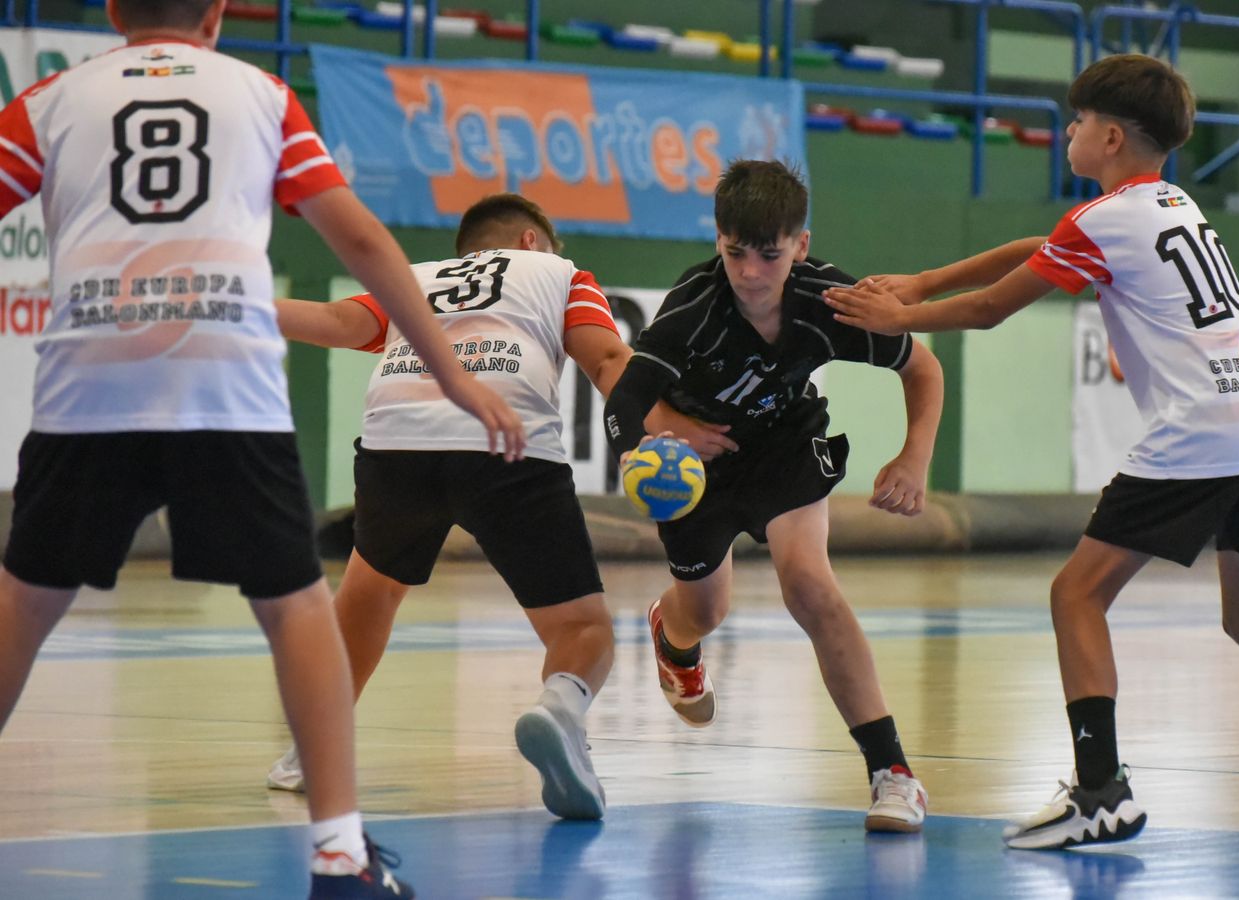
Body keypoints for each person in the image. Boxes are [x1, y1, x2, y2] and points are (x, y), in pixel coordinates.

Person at [823, 54, 1239, 849]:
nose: (1069, 134)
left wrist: (897, 320)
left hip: (1204, 432)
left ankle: (1100, 793)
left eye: (1078, 123)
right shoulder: (1165, 203)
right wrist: (922, 280)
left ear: (1111, 136)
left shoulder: (1102, 222)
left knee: (1076, 596)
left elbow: (988, 311)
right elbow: (1033, 247)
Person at [0, 0, 524, 895]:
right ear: (215, 13)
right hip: (222, 380)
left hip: (92, 377)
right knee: (295, 609)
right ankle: (336, 854)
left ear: (115, 11)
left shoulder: (47, 102)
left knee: (23, 602)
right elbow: (360, 239)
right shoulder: (261, 93)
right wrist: (451, 373)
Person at [261, 193, 711, 821]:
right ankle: (560, 712)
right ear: (532, 243)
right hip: (504, 438)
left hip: (397, 442)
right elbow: (608, 361)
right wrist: (659, 434)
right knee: (581, 629)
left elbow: (337, 323)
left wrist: (238, 308)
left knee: (369, 596)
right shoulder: (562, 273)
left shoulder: (416, 277)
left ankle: (307, 751)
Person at [602, 160, 945, 833]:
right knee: (705, 610)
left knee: (810, 586)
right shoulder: (692, 310)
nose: (752, 273)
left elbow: (922, 366)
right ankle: (674, 639)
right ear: (718, 241)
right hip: (697, 465)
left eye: (771, 254)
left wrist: (915, 457)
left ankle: (893, 773)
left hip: (786, 445)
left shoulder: (831, 302)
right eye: (736, 253)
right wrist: (648, 450)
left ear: (802, 246)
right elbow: (625, 403)